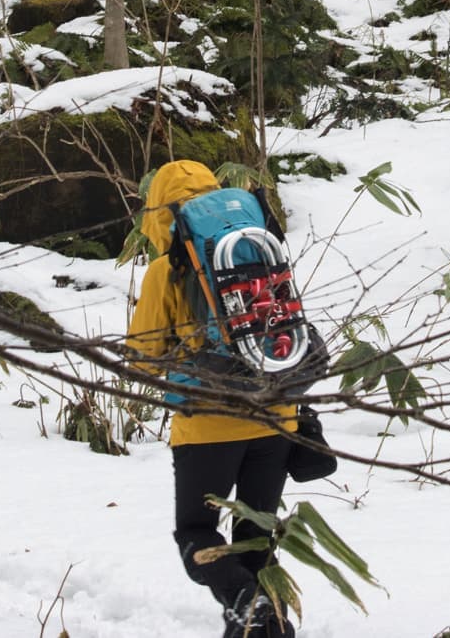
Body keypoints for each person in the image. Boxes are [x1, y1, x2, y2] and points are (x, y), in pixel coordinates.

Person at [128, 160, 297, 638]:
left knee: (196, 534)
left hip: (208, 424)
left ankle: (246, 601)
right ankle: (266, 626)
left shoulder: (168, 268)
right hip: (276, 413)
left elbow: (143, 358)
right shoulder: (260, 249)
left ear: (160, 212)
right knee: (254, 537)